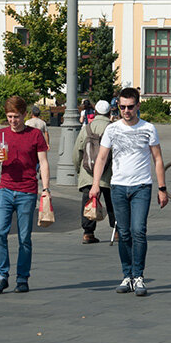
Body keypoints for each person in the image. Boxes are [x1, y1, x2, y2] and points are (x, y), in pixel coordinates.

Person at [88, 87, 168, 297]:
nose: (126, 110)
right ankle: (127, 276)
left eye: (130, 107)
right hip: (118, 187)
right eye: (122, 106)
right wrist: (95, 184)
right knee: (123, 232)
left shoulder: (149, 128)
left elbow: (157, 159)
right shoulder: (112, 129)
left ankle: (139, 276)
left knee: (138, 230)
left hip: (142, 186)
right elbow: (102, 158)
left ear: (138, 106)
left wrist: (162, 188)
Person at [0, 95, 50, 294]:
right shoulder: (1, 135)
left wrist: (46, 190)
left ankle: (22, 277)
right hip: (5, 190)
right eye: (9, 117)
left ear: (24, 115)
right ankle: (2, 275)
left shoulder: (35, 135)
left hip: (27, 191)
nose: (12, 121)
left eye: (16, 116)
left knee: (24, 237)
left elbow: (44, 162)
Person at [73, 99, 116, 244]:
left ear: (95, 112)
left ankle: (88, 233)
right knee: (113, 203)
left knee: (89, 202)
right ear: (109, 112)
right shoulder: (113, 128)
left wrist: (80, 170)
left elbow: (77, 152)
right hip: (109, 174)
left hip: (88, 173)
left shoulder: (86, 129)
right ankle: (117, 231)